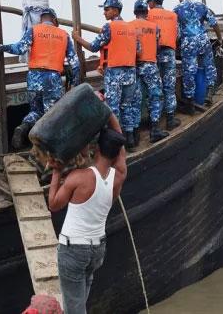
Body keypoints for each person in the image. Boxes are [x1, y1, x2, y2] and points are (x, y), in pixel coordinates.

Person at [48, 112, 127, 314]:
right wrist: (108, 114)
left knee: (74, 307)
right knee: (78, 301)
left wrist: (57, 171)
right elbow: (119, 140)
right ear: (117, 154)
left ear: (96, 149)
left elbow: (54, 205)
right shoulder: (118, 176)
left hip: (74, 249)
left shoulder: (79, 177)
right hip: (97, 249)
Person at [0, 8, 80, 149]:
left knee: (35, 111)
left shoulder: (34, 30)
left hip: (34, 78)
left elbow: (19, 48)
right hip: (52, 79)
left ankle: (23, 127)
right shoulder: (64, 35)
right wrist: (74, 84)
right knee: (52, 115)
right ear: (54, 20)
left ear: (41, 19)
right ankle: (47, 148)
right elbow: (75, 63)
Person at [72, 0, 140, 150]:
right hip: (130, 72)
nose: (104, 13)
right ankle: (129, 139)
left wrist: (77, 38)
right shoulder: (131, 27)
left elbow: (94, 47)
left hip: (115, 72)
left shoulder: (109, 27)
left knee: (112, 108)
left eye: (107, 9)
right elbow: (138, 50)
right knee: (127, 105)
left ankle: (114, 143)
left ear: (115, 10)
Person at [173, 0, 222, 114]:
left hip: (188, 42)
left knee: (189, 70)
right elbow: (214, 23)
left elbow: (176, 32)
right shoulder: (201, 6)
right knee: (209, 65)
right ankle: (209, 93)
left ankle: (189, 102)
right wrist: (219, 38)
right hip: (203, 40)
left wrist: (174, 45)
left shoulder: (177, 10)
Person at [129, 0, 169, 143]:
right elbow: (158, 48)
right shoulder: (155, 27)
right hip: (151, 65)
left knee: (135, 98)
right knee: (155, 96)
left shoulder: (129, 26)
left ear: (134, 12)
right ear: (146, 12)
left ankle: (134, 134)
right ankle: (155, 130)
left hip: (134, 66)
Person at [146, 0, 181, 130]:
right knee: (169, 86)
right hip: (170, 52)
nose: (148, 5)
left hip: (153, 54)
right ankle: (170, 120)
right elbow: (177, 35)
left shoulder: (148, 15)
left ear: (153, 2)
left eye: (149, 2)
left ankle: (153, 120)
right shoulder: (173, 15)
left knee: (154, 87)